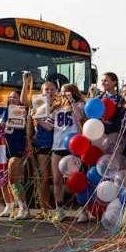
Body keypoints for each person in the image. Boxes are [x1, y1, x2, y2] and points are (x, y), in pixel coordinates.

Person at [0, 75, 32, 220]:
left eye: (15, 98)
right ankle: (9, 205)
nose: (12, 100)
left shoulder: (22, 109)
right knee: (3, 178)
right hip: (3, 148)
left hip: (18, 148)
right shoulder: (3, 110)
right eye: (10, 97)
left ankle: (23, 208)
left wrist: (25, 83)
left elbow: (24, 101)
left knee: (13, 178)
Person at [49, 83, 85, 221]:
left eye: (67, 92)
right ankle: (59, 209)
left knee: (75, 179)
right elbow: (48, 126)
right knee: (57, 180)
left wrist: (72, 101)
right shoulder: (56, 108)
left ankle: (82, 209)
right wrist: (36, 118)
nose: (63, 94)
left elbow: (80, 118)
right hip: (57, 146)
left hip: (73, 146)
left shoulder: (80, 105)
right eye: (62, 92)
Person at [31, 80, 58, 217]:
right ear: (42, 92)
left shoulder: (59, 106)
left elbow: (49, 126)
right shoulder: (37, 105)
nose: (49, 92)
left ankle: (59, 208)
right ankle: (44, 208)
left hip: (58, 145)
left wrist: (37, 118)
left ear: (56, 91)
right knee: (44, 177)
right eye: (46, 89)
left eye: (52, 89)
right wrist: (34, 116)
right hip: (42, 145)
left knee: (57, 178)